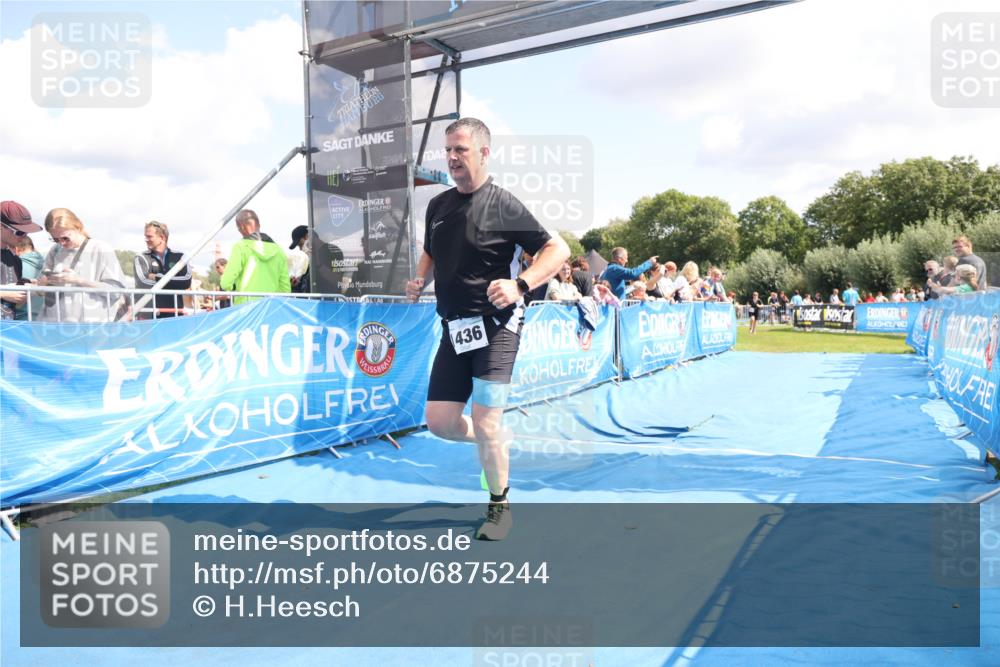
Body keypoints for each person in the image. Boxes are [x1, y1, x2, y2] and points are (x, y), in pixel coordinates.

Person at [405, 118, 569, 541]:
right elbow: (430, 251)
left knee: (486, 419)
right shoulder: (438, 206)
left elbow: (558, 249)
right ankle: (494, 439)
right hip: (454, 329)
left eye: (460, 149)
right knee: (440, 423)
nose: (453, 158)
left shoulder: (503, 205)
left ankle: (499, 506)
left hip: (498, 328)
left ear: (483, 152)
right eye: (448, 151)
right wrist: (419, 278)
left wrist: (520, 284)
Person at [36, 208, 128, 322]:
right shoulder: (55, 250)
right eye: (55, 239)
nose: (61, 243)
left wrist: (78, 280)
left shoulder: (100, 249)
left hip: (90, 329)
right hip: (54, 327)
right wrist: (43, 283)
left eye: (65, 238)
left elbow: (117, 292)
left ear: (78, 227)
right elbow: (40, 290)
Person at [220, 209, 291, 305]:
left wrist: (232, 288)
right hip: (271, 307)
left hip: (246, 308)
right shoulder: (279, 250)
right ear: (259, 225)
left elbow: (225, 283)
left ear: (242, 227)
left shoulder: (240, 247)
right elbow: (285, 289)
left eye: (238, 228)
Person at [133, 221, 192, 319]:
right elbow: (143, 282)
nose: (146, 240)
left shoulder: (180, 257)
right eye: (145, 236)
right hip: (149, 317)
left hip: (174, 316)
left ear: (162, 237)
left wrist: (156, 277)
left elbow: (186, 282)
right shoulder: (141, 257)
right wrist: (175, 283)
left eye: (149, 236)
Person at [1, 201, 40, 319]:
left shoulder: (15, 260)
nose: (25, 237)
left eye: (26, 232)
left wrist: (29, 289)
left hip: (8, 333)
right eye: (20, 232)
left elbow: (17, 303)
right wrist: (3, 293)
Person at [13, 235, 44, 319]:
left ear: (17, 249)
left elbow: (19, 299)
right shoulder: (46, 263)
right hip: (41, 316)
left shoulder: (16, 265)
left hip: (22, 316)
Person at [287, 224, 311, 293]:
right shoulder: (307, 265)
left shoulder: (326, 255)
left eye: (301, 245)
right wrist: (295, 284)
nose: (301, 249)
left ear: (308, 237)